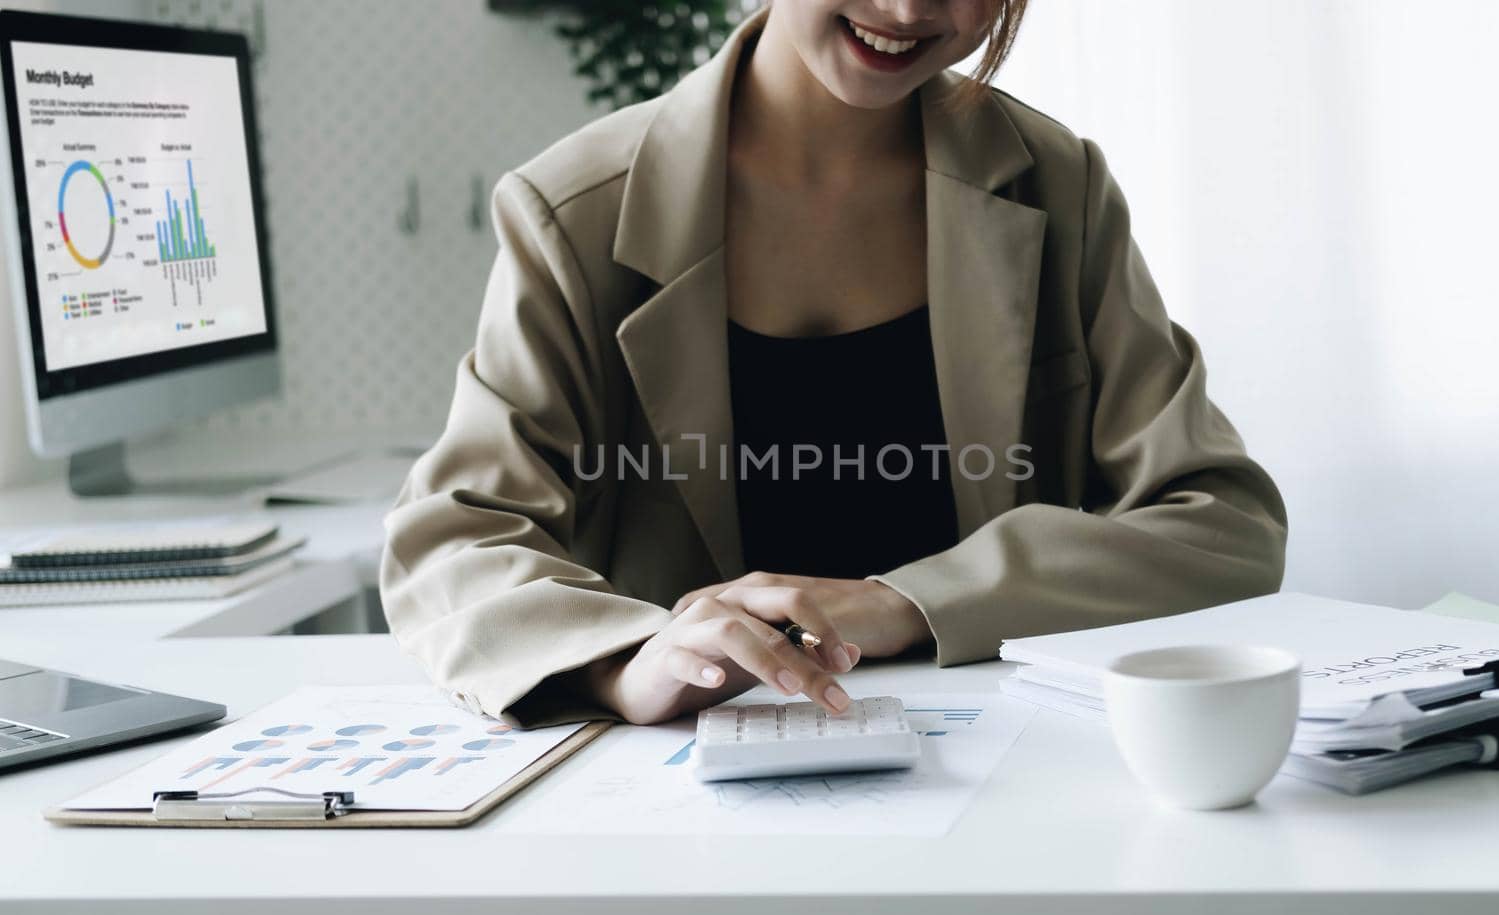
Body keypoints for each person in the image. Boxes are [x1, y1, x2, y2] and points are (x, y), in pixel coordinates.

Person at [380, 0, 1288, 728]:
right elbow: (450, 540)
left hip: (1011, 768)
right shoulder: (572, 211)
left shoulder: (1060, 185)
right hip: (683, 800)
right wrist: (627, 661)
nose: (908, 8)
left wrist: (903, 602)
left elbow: (1223, 521)